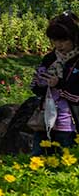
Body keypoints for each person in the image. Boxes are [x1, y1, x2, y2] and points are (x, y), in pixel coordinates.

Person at [31, 13, 79, 154]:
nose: (58, 45)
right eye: (54, 40)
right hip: (45, 121)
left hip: (68, 125)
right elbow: (36, 90)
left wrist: (59, 84)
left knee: (64, 163)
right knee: (37, 160)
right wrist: (40, 82)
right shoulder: (50, 59)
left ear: (74, 38)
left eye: (63, 40)